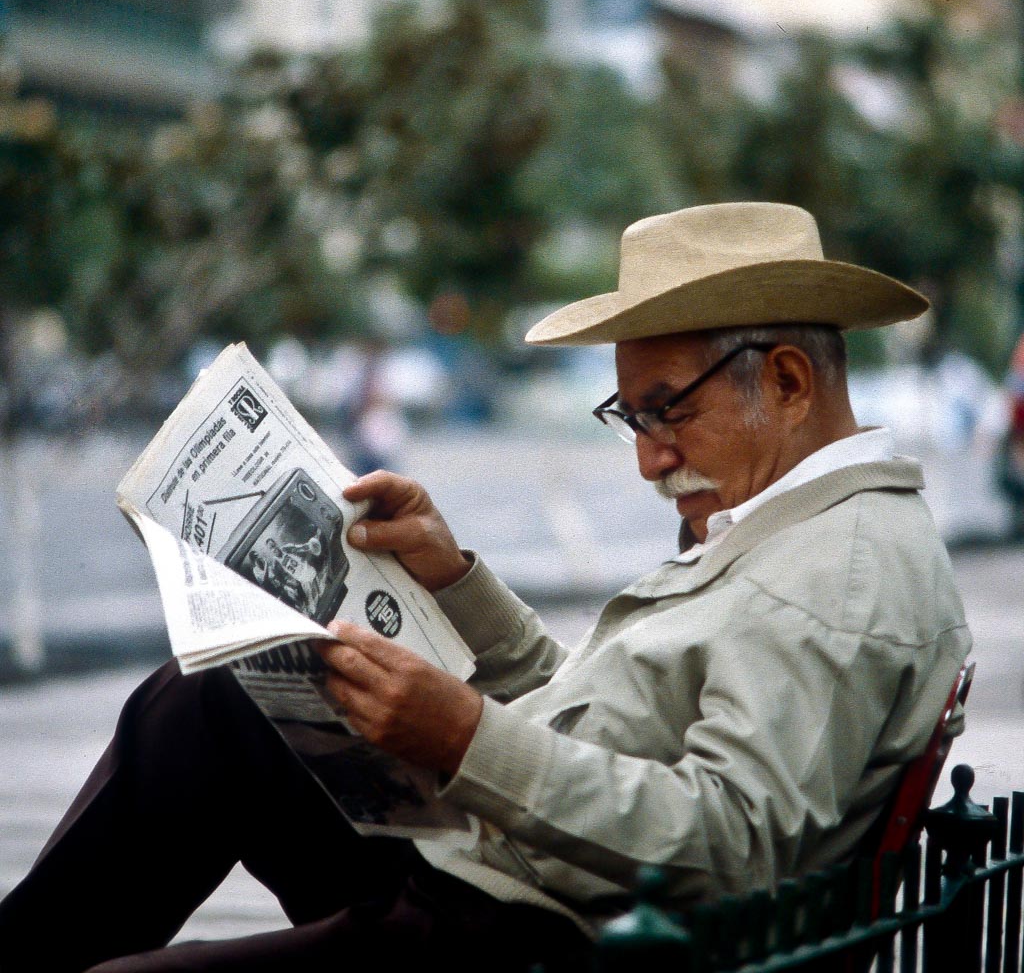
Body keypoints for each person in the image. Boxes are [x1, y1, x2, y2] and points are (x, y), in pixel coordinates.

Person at [0, 202, 972, 973]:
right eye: (627, 415)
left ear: (792, 382)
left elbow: (727, 841)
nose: (648, 458)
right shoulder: (794, 526)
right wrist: (453, 578)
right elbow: (603, 716)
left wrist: (466, 738)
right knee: (215, 699)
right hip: (506, 874)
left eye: (665, 410)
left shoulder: (830, 578)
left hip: (533, 934)